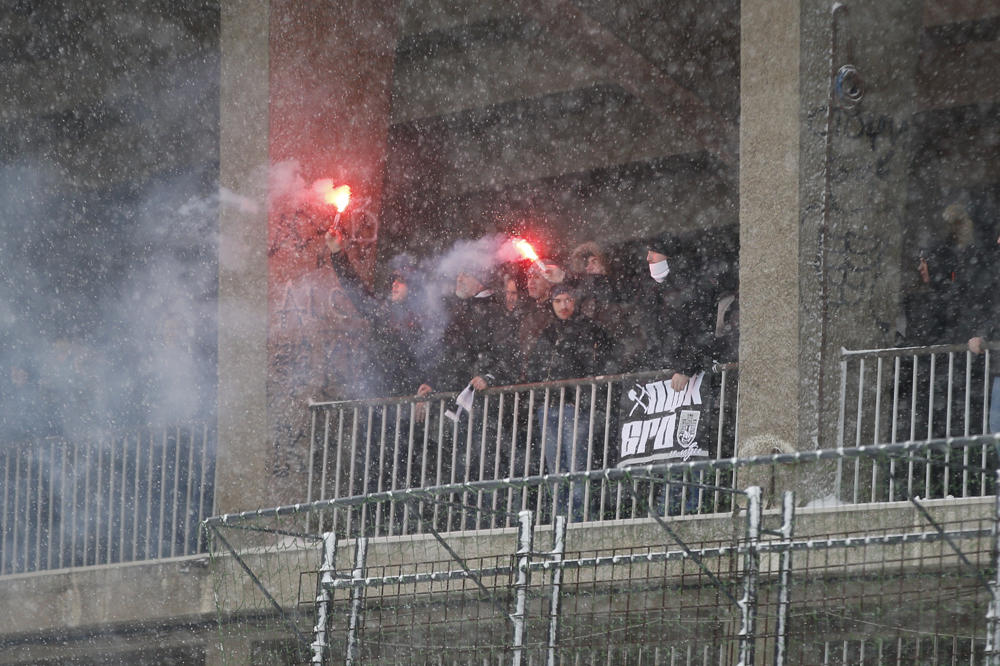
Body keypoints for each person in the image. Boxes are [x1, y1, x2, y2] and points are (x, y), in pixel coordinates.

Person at [527, 283, 611, 520]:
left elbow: (598, 361)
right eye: (558, 301)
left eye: (568, 300)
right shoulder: (548, 332)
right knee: (556, 467)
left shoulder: (587, 329)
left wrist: (581, 397)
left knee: (576, 464)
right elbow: (536, 366)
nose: (564, 305)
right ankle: (561, 515)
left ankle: (577, 515)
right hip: (550, 405)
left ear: (575, 302)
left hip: (574, 405)